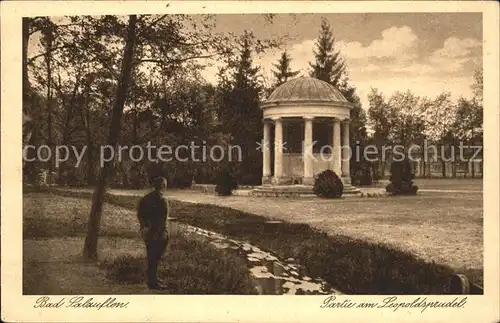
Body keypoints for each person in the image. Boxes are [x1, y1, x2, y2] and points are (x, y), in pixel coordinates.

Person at [137, 176, 170, 289]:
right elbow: (163, 220)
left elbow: (140, 215)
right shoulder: (163, 200)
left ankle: (152, 279)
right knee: (155, 258)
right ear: (163, 187)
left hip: (147, 233)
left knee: (151, 257)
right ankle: (153, 282)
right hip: (160, 234)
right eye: (165, 186)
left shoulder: (145, 199)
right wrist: (159, 233)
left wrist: (144, 228)